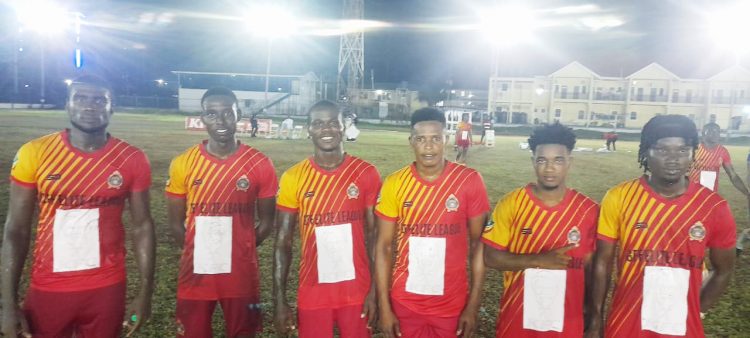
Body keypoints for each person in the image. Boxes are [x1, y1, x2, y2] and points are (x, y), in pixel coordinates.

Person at [1, 75, 155, 338]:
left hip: (107, 286)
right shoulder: (34, 153)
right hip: (49, 285)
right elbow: (16, 229)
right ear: (67, 105)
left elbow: (142, 227)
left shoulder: (132, 158)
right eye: (80, 98)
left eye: (99, 100)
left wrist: (145, 294)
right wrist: (7, 304)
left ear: (111, 107)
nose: (90, 106)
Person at [586, 115, 736, 338]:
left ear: (693, 153)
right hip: (626, 323)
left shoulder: (714, 206)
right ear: (646, 152)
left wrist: (695, 309)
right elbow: (602, 263)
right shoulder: (619, 198)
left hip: (683, 328)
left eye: (682, 150)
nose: (673, 159)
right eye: (663, 150)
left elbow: (724, 270)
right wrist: (596, 318)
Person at [165, 87, 277, 337]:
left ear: (239, 115)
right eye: (212, 114)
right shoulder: (183, 163)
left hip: (241, 273)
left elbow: (268, 222)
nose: (221, 121)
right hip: (195, 273)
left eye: (228, 113)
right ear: (202, 118)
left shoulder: (260, 163)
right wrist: (199, 251)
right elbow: (174, 223)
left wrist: (243, 246)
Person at [374, 107, 489, 338]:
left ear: (445, 139)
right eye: (421, 139)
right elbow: (384, 247)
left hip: (452, 304)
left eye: (436, 138)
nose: (429, 146)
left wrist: (473, 305)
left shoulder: (469, 180)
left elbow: (479, 246)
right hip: (405, 301)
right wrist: (385, 307)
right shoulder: (395, 183)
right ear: (411, 142)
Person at [274, 100, 381, 337]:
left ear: (344, 126)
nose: (327, 129)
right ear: (309, 130)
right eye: (318, 123)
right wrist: (280, 299)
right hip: (313, 291)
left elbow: (376, 237)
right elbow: (283, 243)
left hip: (358, 291)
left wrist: (376, 291)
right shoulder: (293, 177)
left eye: (334, 122)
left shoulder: (366, 173)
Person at [483, 122, 598, 337]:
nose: (550, 168)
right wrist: (538, 260)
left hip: (567, 322)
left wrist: (591, 312)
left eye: (558, 160)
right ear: (533, 162)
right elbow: (490, 257)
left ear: (569, 163)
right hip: (517, 320)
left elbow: (591, 269)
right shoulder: (512, 203)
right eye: (542, 160)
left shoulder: (588, 210)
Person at [687, 123, 749, 194]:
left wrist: (747, 193)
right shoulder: (694, 148)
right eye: (712, 131)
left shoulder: (723, 152)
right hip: (691, 191)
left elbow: (733, 175)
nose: (715, 134)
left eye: (718, 132)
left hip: (710, 193)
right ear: (704, 133)